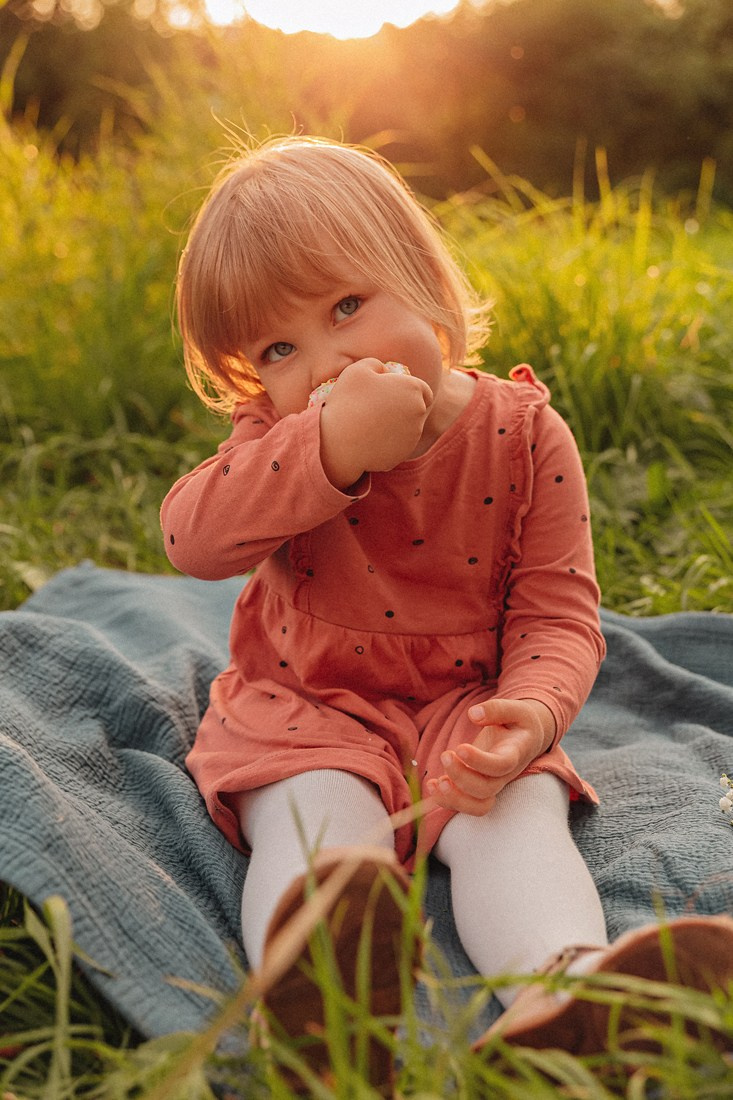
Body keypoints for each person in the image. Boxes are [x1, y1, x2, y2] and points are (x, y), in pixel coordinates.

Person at [161, 136, 733, 1078]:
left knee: (512, 816)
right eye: (278, 347)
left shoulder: (523, 435)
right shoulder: (280, 438)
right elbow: (193, 540)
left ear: (421, 282)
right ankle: (319, 1010)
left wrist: (532, 714)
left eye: (347, 305)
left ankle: (573, 998)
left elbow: (557, 613)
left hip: (463, 710)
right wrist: (326, 454)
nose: (325, 360)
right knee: (319, 829)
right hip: (308, 706)